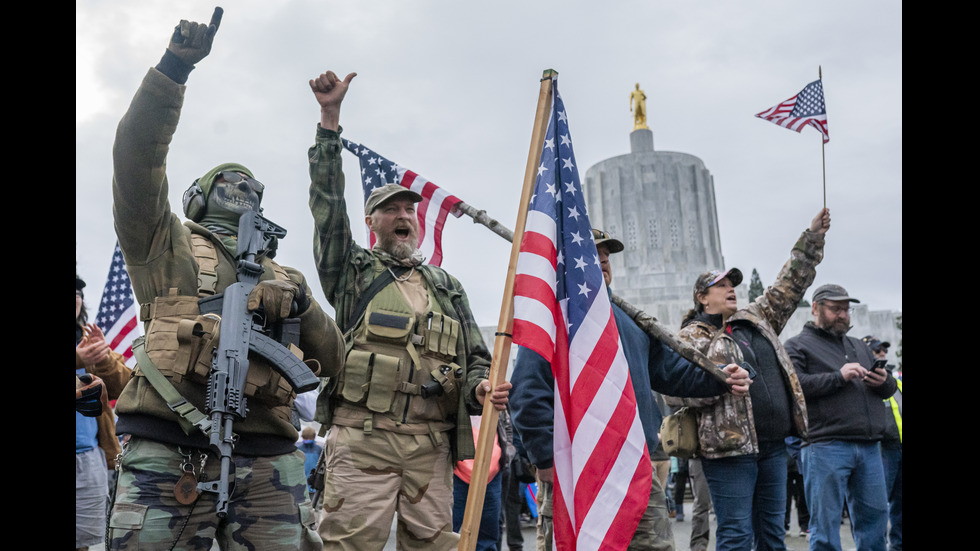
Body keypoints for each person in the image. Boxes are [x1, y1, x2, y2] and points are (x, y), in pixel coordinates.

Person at [107, 10, 345, 550]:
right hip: (171, 447)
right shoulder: (164, 242)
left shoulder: (287, 275)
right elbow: (135, 158)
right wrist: (172, 72)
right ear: (199, 196)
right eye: (228, 179)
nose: (242, 185)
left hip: (270, 460)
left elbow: (333, 360)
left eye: (250, 183)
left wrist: (298, 304)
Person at [306, 69, 511, 550]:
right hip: (362, 442)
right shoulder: (352, 272)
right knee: (348, 545)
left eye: (409, 211)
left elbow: (476, 355)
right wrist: (329, 119)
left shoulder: (447, 285)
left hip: (431, 446)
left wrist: (481, 386)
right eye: (391, 209)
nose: (403, 216)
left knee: (434, 546)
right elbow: (327, 206)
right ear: (371, 220)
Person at [511, 228, 751, 551]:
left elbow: (672, 371)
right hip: (577, 471)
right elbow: (527, 392)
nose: (605, 259)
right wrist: (545, 459)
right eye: (594, 252)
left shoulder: (629, 319)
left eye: (607, 255)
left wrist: (720, 377)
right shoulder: (554, 318)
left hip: (635, 470)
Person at [667, 208, 830, 551]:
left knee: (772, 535)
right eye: (721, 285)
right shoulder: (691, 336)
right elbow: (677, 391)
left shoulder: (756, 317)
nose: (731, 290)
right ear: (702, 297)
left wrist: (812, 238)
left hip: (773, 448)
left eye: (733, 285)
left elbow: (790, 283)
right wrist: (720, 379)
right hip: (729, 454)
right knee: (737, 535)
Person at [784, 285, 899, 551]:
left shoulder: (859, 345)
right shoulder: (796, 346)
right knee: (825, 529)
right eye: (835, 309)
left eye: (846, 309)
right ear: (815, 308)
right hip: (825, 446)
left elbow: (888, 389)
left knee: (875, 526)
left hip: (870, 446)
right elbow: (795, 387)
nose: (843, 315)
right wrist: (839, 376)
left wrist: (884, 381)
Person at [76, 274, 132, 551]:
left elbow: (123, 386)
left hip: (89, 458)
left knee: (85, 542)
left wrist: (105, 359)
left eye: (77, 293)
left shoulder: (88, 343)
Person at [861, 336, 901, 551]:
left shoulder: (894, 381)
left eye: (884, 351)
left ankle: (898, 545)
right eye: (877, 352)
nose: (882, 355)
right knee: (877, 505)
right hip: (881, 448)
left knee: (900, 502)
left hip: (899, 447)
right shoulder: (865, 382)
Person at [785, 436, 810, 538]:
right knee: (785, 494)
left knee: (803, 493)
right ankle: (784, 525)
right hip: (787, 453)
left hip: (798, 451)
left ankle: (805, 525)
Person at [298, 426, 324, 492]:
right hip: (304, 485)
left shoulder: (319, 449)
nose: (307, 439)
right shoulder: (299, 449)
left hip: (311, 485)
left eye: (309, 437)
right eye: (305, 437)